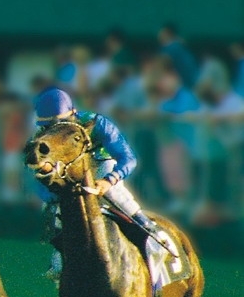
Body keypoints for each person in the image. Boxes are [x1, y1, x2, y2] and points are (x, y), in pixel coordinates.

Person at [30, 87, 181, 278]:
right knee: (53, 210)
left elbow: (128, 158)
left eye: (58, 124)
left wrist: (108, 182)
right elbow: (36, 177)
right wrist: (52, 193)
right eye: (47, 127)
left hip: (102, 167)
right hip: (69, 175)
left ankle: (152, 236)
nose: (53, 131)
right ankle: (61, 255)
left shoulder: (97, 123)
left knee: (115, 194)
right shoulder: (41, 137)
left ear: (73, 114)